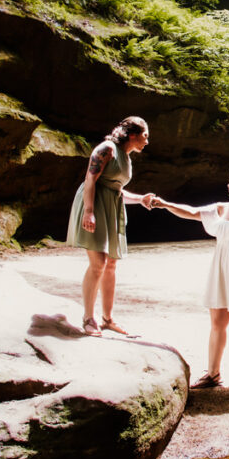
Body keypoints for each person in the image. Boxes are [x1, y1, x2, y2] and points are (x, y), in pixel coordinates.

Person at [151, 169, 229, 388]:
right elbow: (192, 212)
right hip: (221, 268)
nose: (228, 185)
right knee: (217, 322)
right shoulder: (221, 208)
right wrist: (166, 204)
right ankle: (213, 374)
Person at [67, 116, 154, 337]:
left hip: (111, 207)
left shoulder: (126, 156)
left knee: (111, 264)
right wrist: (89, 211)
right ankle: (88, 318)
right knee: (98, 263)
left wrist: (140, 199)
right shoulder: (107, 149)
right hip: (94, 204)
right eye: (145, 135)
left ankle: (107, 319)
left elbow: (116, 190)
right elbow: (90, 180)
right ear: (132, 134)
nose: (147, 141)